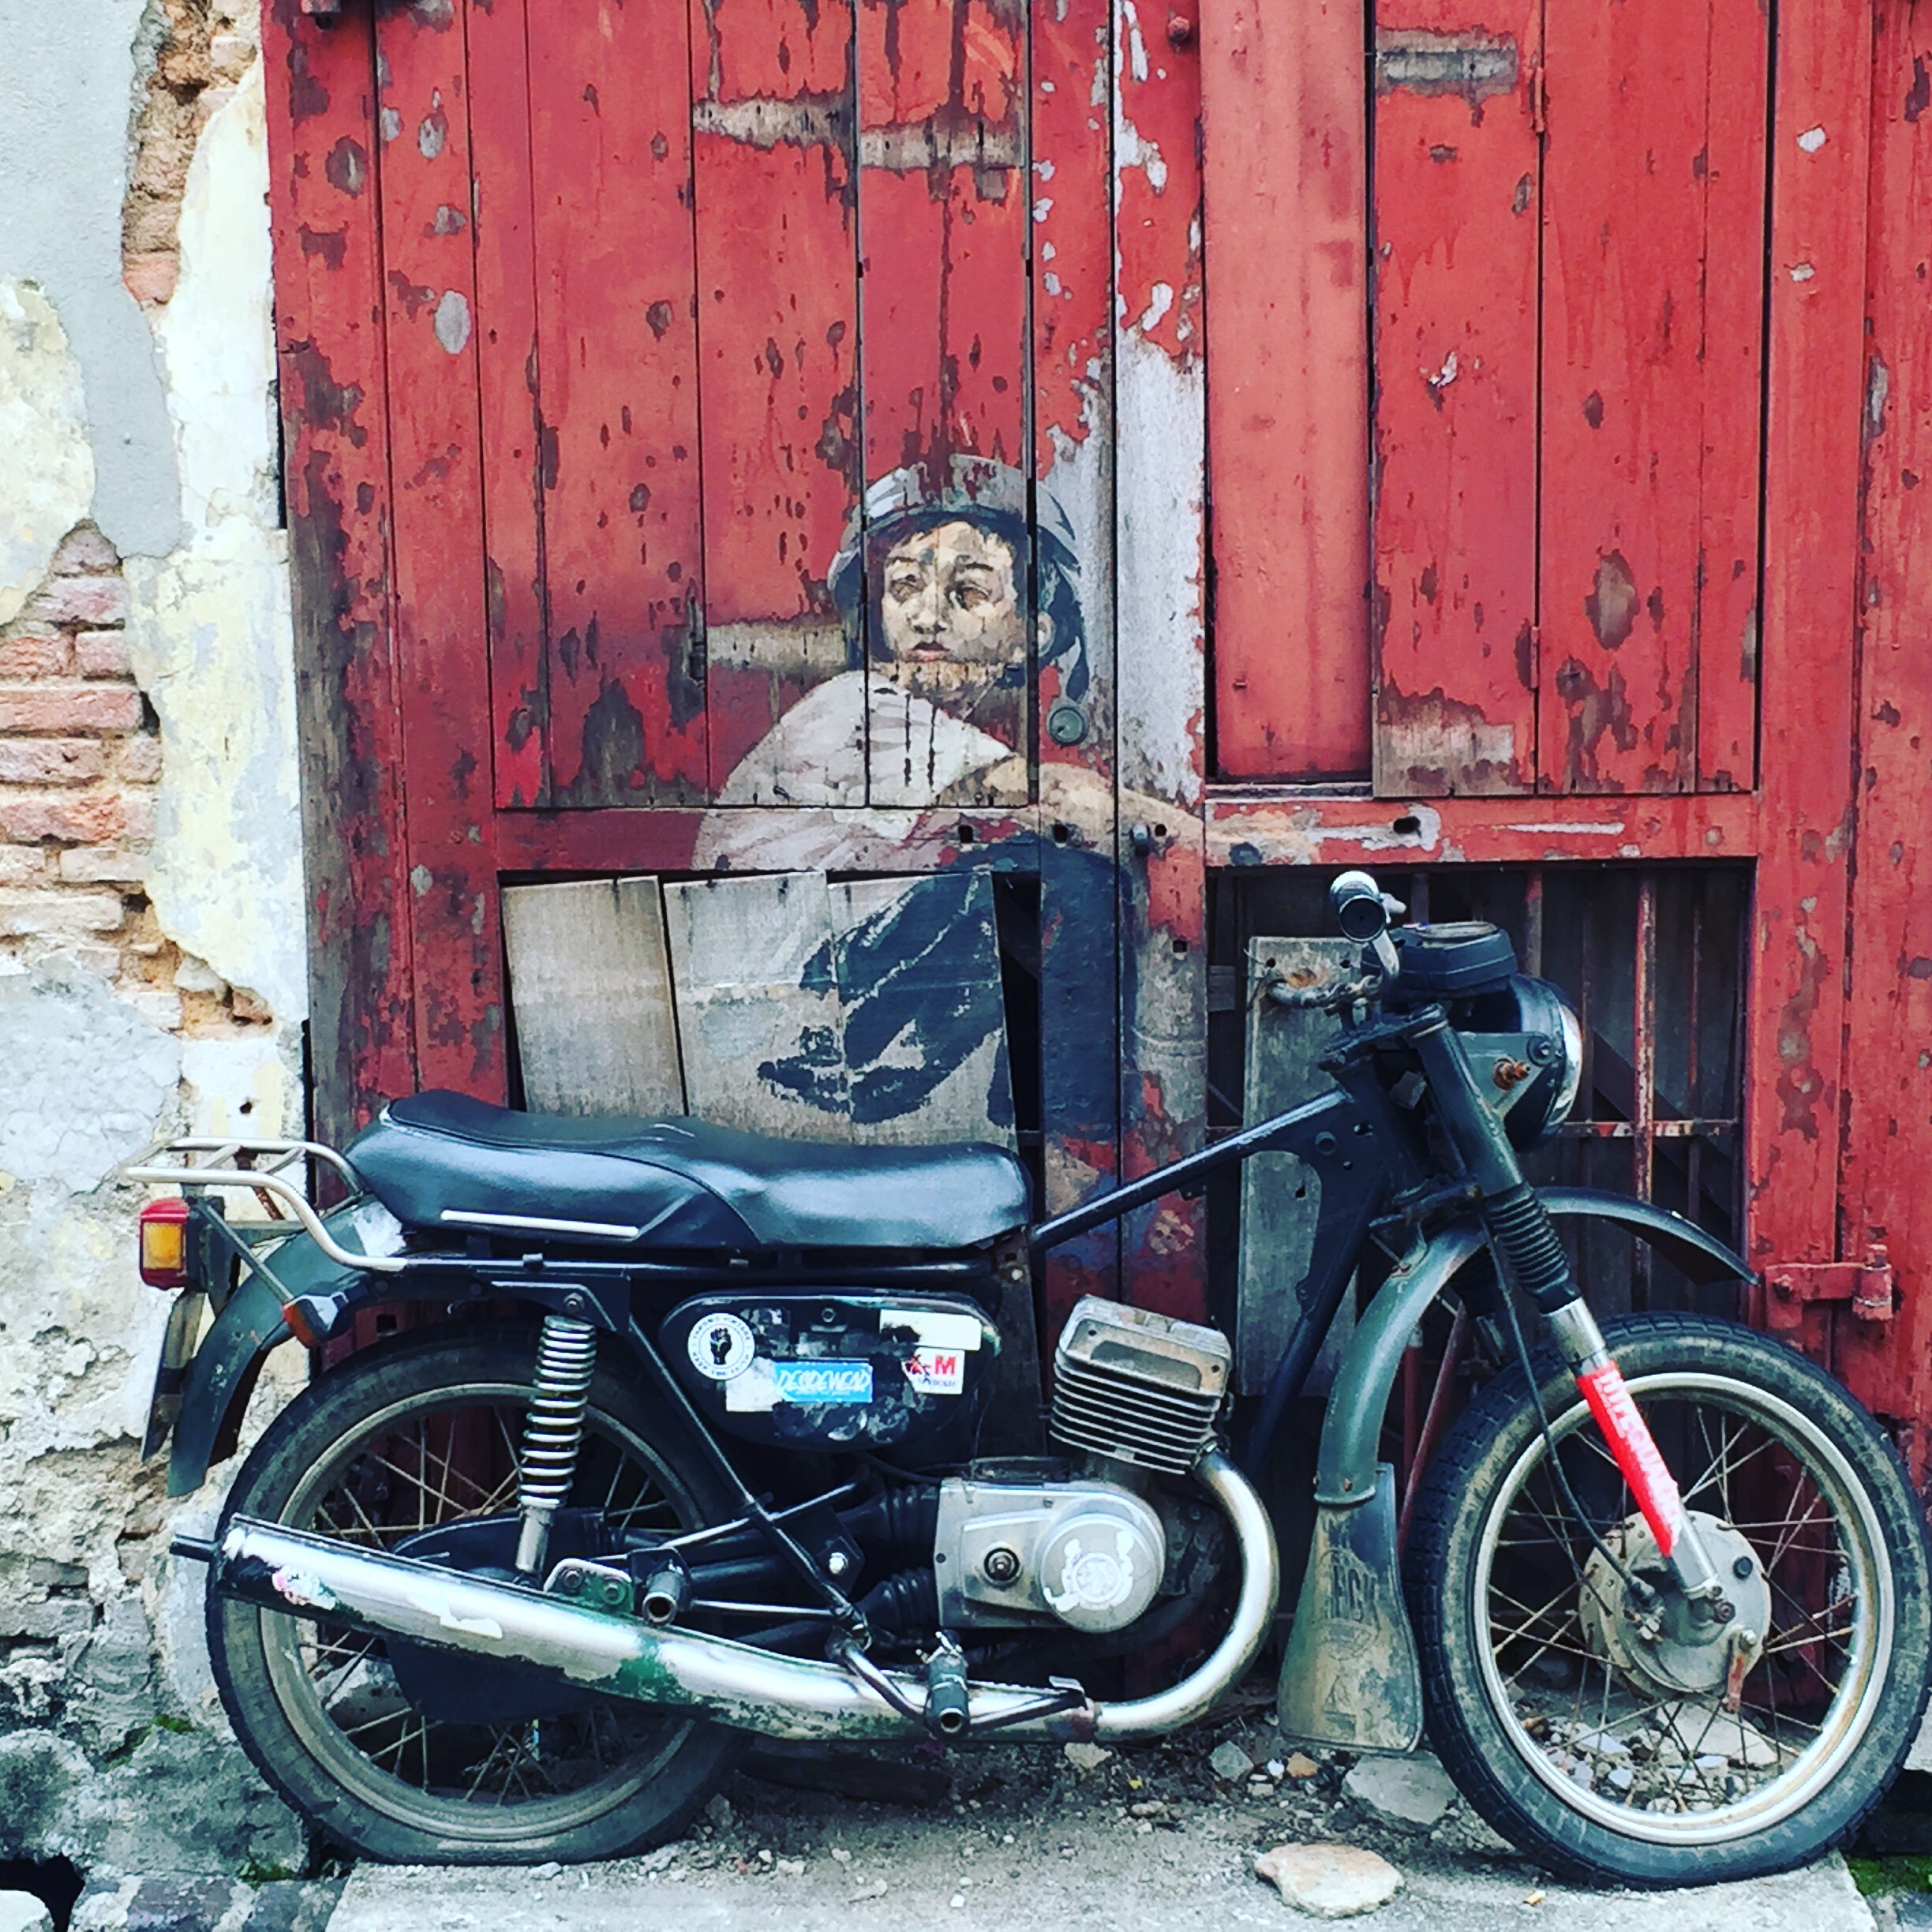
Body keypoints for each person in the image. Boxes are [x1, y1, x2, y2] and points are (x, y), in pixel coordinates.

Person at [694, 458, 1086, 867]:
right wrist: (1137, 823)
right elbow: (1050, 797)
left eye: (969, 591)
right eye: (905, 586)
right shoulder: (858, 706)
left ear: (1031, 636)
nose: (928, 618)